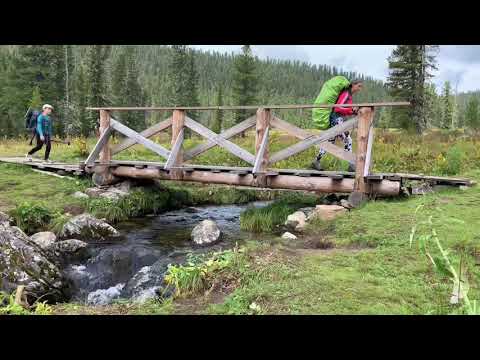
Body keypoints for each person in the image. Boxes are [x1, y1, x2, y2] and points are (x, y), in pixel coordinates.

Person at [311, 79, 363, 172]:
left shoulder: (349, 95)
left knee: (330, 142)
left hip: (337, 119)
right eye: (359, 86)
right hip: (336, 119)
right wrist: (351, 110)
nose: (360, 89)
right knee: (348, 140)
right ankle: (351, 164)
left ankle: (316, 161)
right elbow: (338, 108)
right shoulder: (346, 94)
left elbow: (344, 109)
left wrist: (352, 111)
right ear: (353, 85)